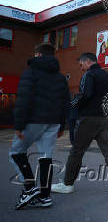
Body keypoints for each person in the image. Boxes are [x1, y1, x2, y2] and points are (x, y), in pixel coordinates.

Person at [51, 52, 108, 194]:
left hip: (89, 118)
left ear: (87, 61)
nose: (80, 67)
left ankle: (67, 184)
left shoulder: (89, 75)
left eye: (80, 64)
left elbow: (85, 94)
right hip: (105, 118)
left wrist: (72, 104)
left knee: (76, 151)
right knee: (107, 149)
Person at [9, 43, 70, 209]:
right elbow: (66, 103)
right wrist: (62, 125)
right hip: (53, 122)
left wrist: (19, 125)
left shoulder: (31, 73)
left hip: (33, 120)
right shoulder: (60, 77)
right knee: (46, 157)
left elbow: (23, 98)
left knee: (16, 152)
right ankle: (45, 196)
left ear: (38, 55)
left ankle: (29, 189)